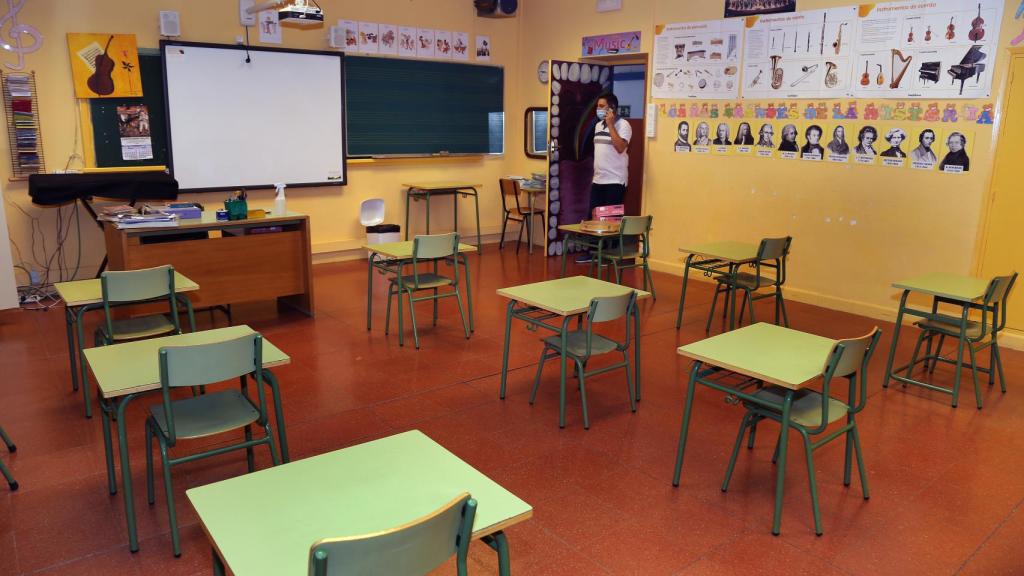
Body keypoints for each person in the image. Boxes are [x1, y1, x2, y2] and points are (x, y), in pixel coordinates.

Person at [577, 93, 632, 263]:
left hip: (615, 181)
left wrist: (610, 125)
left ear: (612, 109)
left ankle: (610, 255)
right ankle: (592, 252)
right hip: (598, 179)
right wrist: (605, 124)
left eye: (602, 106)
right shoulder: (597, 126)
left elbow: (620, 147)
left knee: (611, 222)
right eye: (597, 106)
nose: (598, 109)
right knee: (594, 217)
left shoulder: (624, 125)